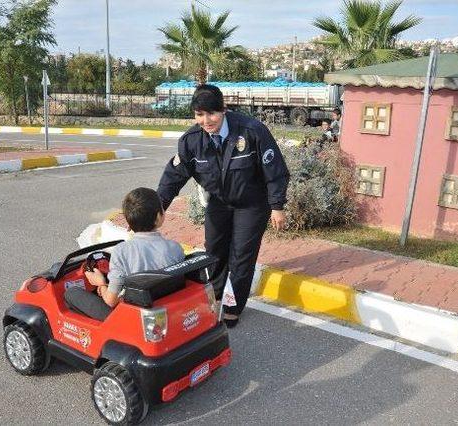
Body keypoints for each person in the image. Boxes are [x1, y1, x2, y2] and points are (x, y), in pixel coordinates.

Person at [157, 84, 290, 327]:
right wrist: (158, 208)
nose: (206, 120)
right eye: (199, 114)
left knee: (241, 256)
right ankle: (216, 296)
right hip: (220, 202)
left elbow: (275, 170)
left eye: (211, 113)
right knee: (214, 251)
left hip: (252, 204)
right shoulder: (191, 141)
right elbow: (173, 177)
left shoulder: (252, 131)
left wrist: (277, 205)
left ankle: (232, 306)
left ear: (224, 110)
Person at [65, 187, 185, 321]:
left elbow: (110, 302)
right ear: (159, 217)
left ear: (128, 223)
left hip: (133, 320)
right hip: (170, 310)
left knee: (72, 293)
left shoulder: (121, 252)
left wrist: (101, 283)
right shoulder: (176, 248)